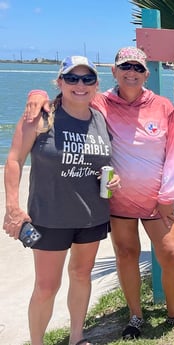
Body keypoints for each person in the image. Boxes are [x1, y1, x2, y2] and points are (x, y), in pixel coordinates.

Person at [24, 47, 174, 339]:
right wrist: (36, 94)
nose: (132, 73)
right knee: (126, 255)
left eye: (138, 68)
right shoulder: (99, 102)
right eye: (125, 67)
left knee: (172, 255)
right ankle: (136, 316)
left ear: (147, 73)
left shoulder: (163, 106)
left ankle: (173, 313)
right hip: (117, 201)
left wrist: (167, 197)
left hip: (158, 201)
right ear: (114, 72)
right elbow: (66, 96)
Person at [4, 56, 120, 345]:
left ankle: (77, 337)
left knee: (82, 275)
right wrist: (12, 208)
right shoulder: (42, 116)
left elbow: (100, 162)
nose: (80, 85)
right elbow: (15, 160)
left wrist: (112, 180)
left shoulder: (100, 119)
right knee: (46, 286)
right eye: (72, 78)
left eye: (87, 79)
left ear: (96, 85)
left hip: (92, 216)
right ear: (60, 82)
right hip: (49, 217)